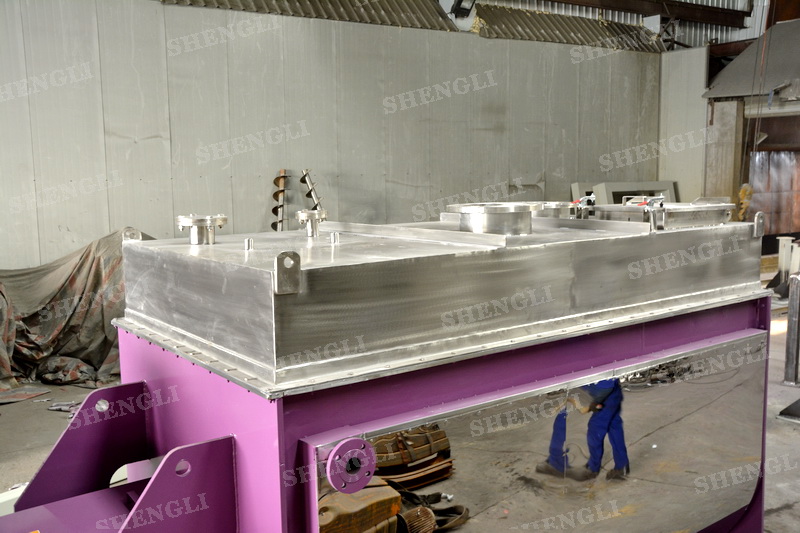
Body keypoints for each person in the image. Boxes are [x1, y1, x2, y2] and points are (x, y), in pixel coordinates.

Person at [536, 379, 630, 481]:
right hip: (611, 392)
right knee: (614, 426)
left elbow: (606, 385)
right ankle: (622, 466)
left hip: (603, 392)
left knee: (595, 430)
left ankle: (592, 469)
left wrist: (596, 400)